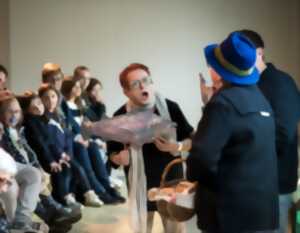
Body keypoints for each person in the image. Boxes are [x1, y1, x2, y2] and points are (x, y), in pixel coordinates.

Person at [186, 32, 279, 233]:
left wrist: (192, 176)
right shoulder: (261, 100)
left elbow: (202, 158)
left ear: (219, 71)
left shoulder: (222, 104)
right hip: (262, 212)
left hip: (230, 215)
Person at [107, 63, 194, 233]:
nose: (142, 86)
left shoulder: (170, 108)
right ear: (126, 92)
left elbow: (192, 140)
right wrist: (118, 158)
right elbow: (111, 154)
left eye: (146, 80)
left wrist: (176, 146)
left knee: (175, 229)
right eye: (135, 84)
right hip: (140, 183)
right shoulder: (119, 117)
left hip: (170, 181)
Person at [239, 29, 300, 233]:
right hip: (254, 186)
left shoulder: (280, 82)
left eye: (242, 50)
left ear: (259, 53)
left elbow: (283, 134)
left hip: (276, 188)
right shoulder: (250, 86)